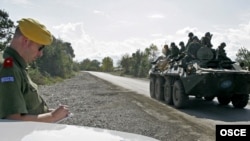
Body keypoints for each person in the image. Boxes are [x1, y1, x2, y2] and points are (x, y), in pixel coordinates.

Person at [0, 18, 70, 122]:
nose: (40, 54)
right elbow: (13, 120)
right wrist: (53, 117)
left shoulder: (16, 65)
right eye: (40, 48)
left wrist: (50, 113)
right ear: (25, 41)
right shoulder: (9, 68)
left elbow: (27, 110)